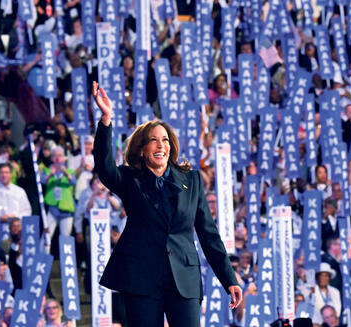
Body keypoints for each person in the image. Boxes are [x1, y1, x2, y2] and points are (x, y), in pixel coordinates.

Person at [92, 81, 243, 327]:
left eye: (165, 140)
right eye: (153, 140)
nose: (160, 145)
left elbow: (208, 233)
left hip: (183, 278)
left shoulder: (191, 181)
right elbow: (105, 169)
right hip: (142, 279)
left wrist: (229, 278)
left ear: (171, 146)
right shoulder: (131, 180)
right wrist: (106, 119)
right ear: (142, 150)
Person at [0, 163, 32, 269]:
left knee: (7, 260)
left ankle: (6, 284)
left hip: (9, 233)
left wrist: (13, 217)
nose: (4, 175)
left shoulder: (19, 191)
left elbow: (27, 211)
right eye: (2, 172)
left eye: (7, 172)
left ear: (11, 175)